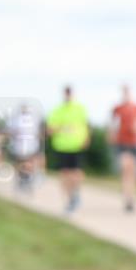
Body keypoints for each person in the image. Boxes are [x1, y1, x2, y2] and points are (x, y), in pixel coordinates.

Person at [47, 85, 90, 214]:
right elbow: (50, 130)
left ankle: (75, 193)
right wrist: (62, 128)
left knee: (76, 173)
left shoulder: (80, 108)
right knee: (65, 174)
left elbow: (86, 125)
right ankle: (70, 199)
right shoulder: (57, 110)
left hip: (76, 146)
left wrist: (86, 138)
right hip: (62, 146)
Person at [110, 85, 136, 213]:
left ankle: (132, 196)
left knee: (133, 172)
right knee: (126, 167)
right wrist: (112, 135)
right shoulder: (117, 108)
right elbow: (112, 124)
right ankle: (127, 198)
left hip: (134, 142)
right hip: (122, 142)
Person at [7, 103, 43, 193]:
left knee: (27, 163)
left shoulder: (30, 120)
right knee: (22, 163)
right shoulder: (18, 120)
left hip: (29, 146)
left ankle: (26, 180)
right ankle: (23, 179)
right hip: (21, 146)